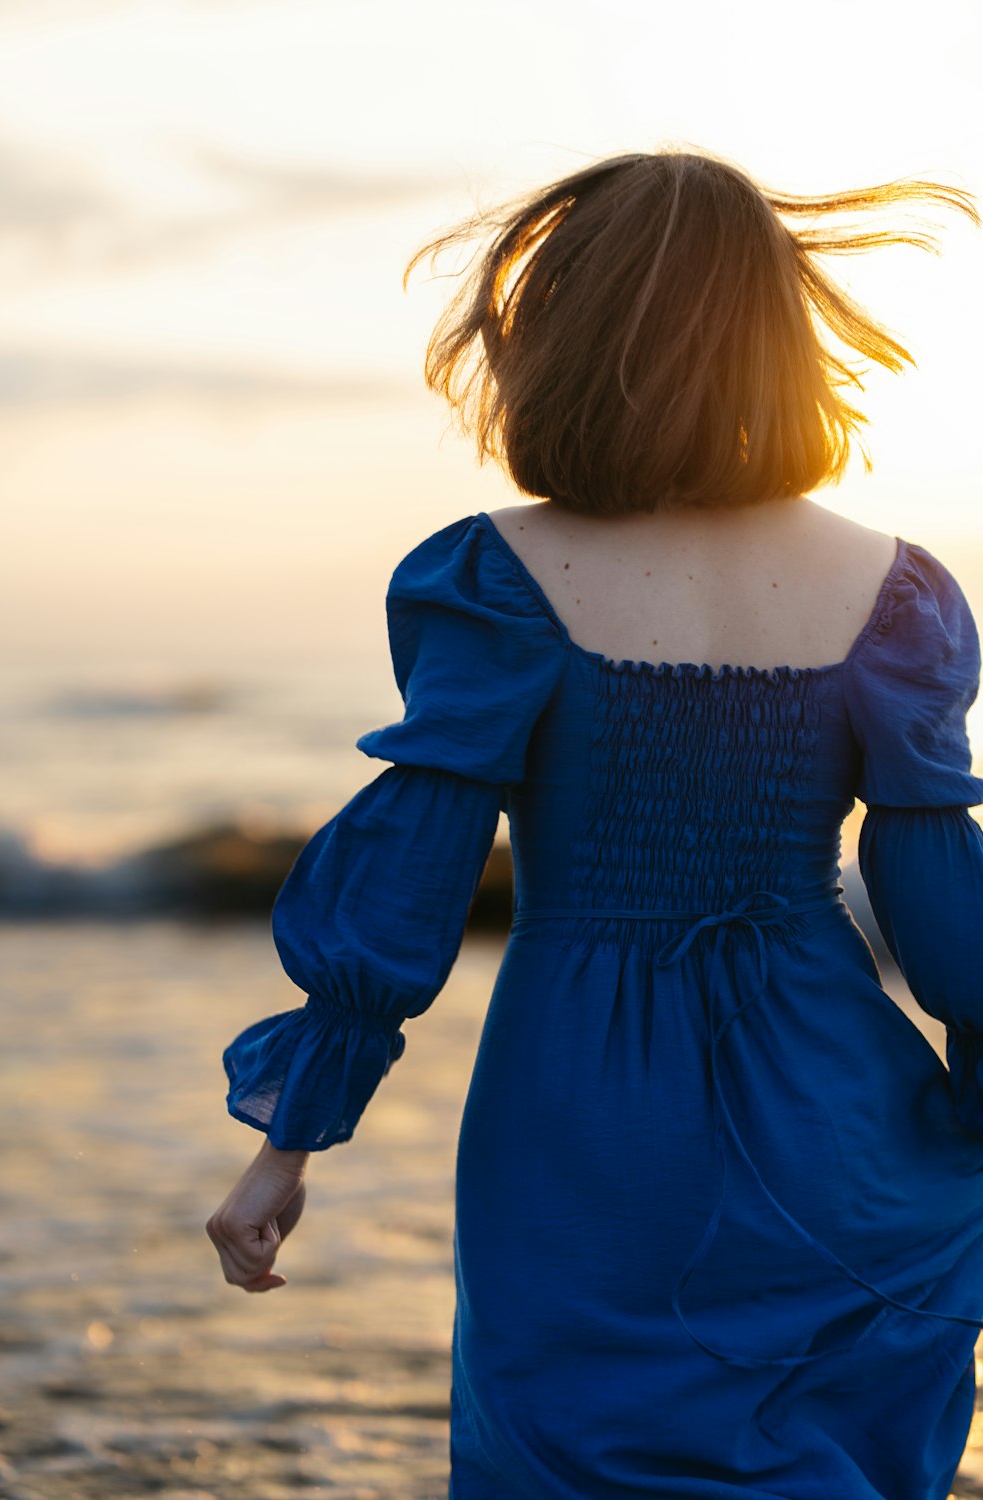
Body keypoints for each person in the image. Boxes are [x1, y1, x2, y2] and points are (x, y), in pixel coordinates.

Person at [206, 147, 983, 1498]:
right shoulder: (893, 589)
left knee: (568, 1431)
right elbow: (940, 903)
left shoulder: (494, 580)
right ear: (777, 340)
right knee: (826, 1433)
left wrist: (289, 1144)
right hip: (834, 1088)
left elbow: (413, 876)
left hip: (579, 1101)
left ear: (568, 340)